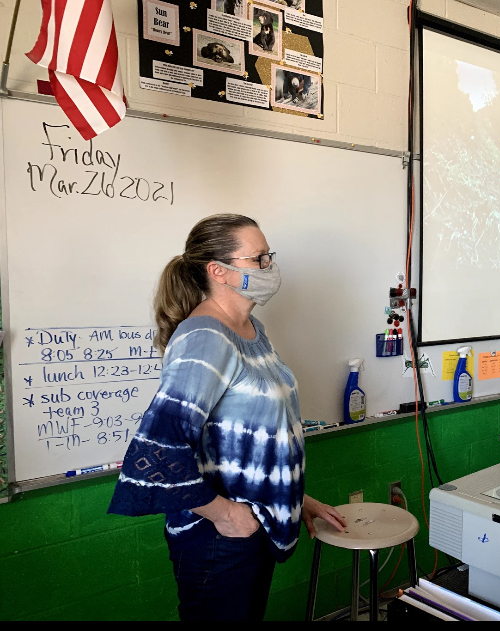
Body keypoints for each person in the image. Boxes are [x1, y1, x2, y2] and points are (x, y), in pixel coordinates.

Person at [109, 214, 346, 621]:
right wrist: (228, 515)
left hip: (253, 526)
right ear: (218, 271)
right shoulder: (205, 338)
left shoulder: (251, 328)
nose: (270, 268)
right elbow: (157, 451)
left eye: (269, 256)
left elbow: (245, 439)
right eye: (259, 259)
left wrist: (294, 499)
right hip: (219, 540)